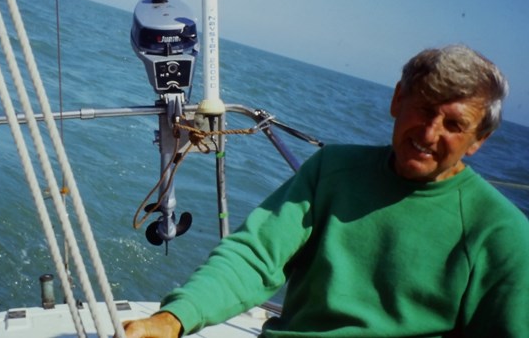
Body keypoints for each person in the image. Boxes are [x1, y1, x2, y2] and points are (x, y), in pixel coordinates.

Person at [123, 44, 529, 337]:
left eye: (454, 125)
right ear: (397, 100)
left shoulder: (501, 234)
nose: (428, 134)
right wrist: (173, 319)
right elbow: (254, 257)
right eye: (424, 109)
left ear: (479, 140)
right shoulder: (333, 170)